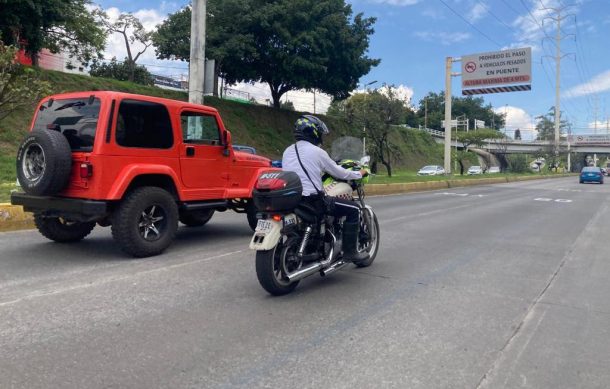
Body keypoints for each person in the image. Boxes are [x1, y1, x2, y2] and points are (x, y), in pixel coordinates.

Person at [282, 115, 369, 262]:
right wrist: (358, 173)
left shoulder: (287, 151)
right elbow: (338, 172)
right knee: (353, 209)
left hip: (292, 199)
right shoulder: (317, 152)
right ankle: (350, 252)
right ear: (314, 132)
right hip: (312, 201)